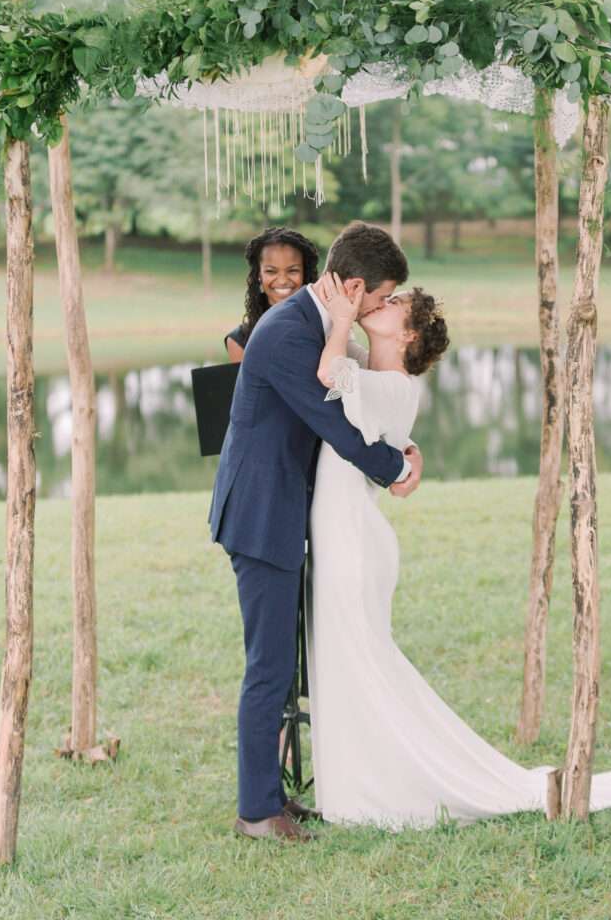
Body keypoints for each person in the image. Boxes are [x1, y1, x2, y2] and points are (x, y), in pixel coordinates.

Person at [305, 274, 611, 831]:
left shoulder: (393, 386)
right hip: (343, 531)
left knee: (358, 659)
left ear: (410, 335)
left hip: (351, 536)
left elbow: (326, 374)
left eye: (394, 303)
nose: (380, 301)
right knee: (350, 659)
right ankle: (358, 781)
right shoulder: (373, 377)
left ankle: (373, 787)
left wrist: (342, 317)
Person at [209, 221, 424, 842]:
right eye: (382, 299)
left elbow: (362, 403)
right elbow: (334, 425)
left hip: (281, 506)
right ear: (354, 287)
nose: (382, 309)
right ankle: (257, 812)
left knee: (282, 661)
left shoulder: (310, 324)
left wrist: (405, 448)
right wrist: (396, 469)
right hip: (261, 514)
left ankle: (272, 795)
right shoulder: (284, 335)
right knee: (269, 666)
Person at [225, 227, 320, 363]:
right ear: (259, 275)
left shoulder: (325, 326)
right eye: (271, 271)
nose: (282, 280)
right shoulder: (239, 341)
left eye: (293, 270)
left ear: (305, 274)